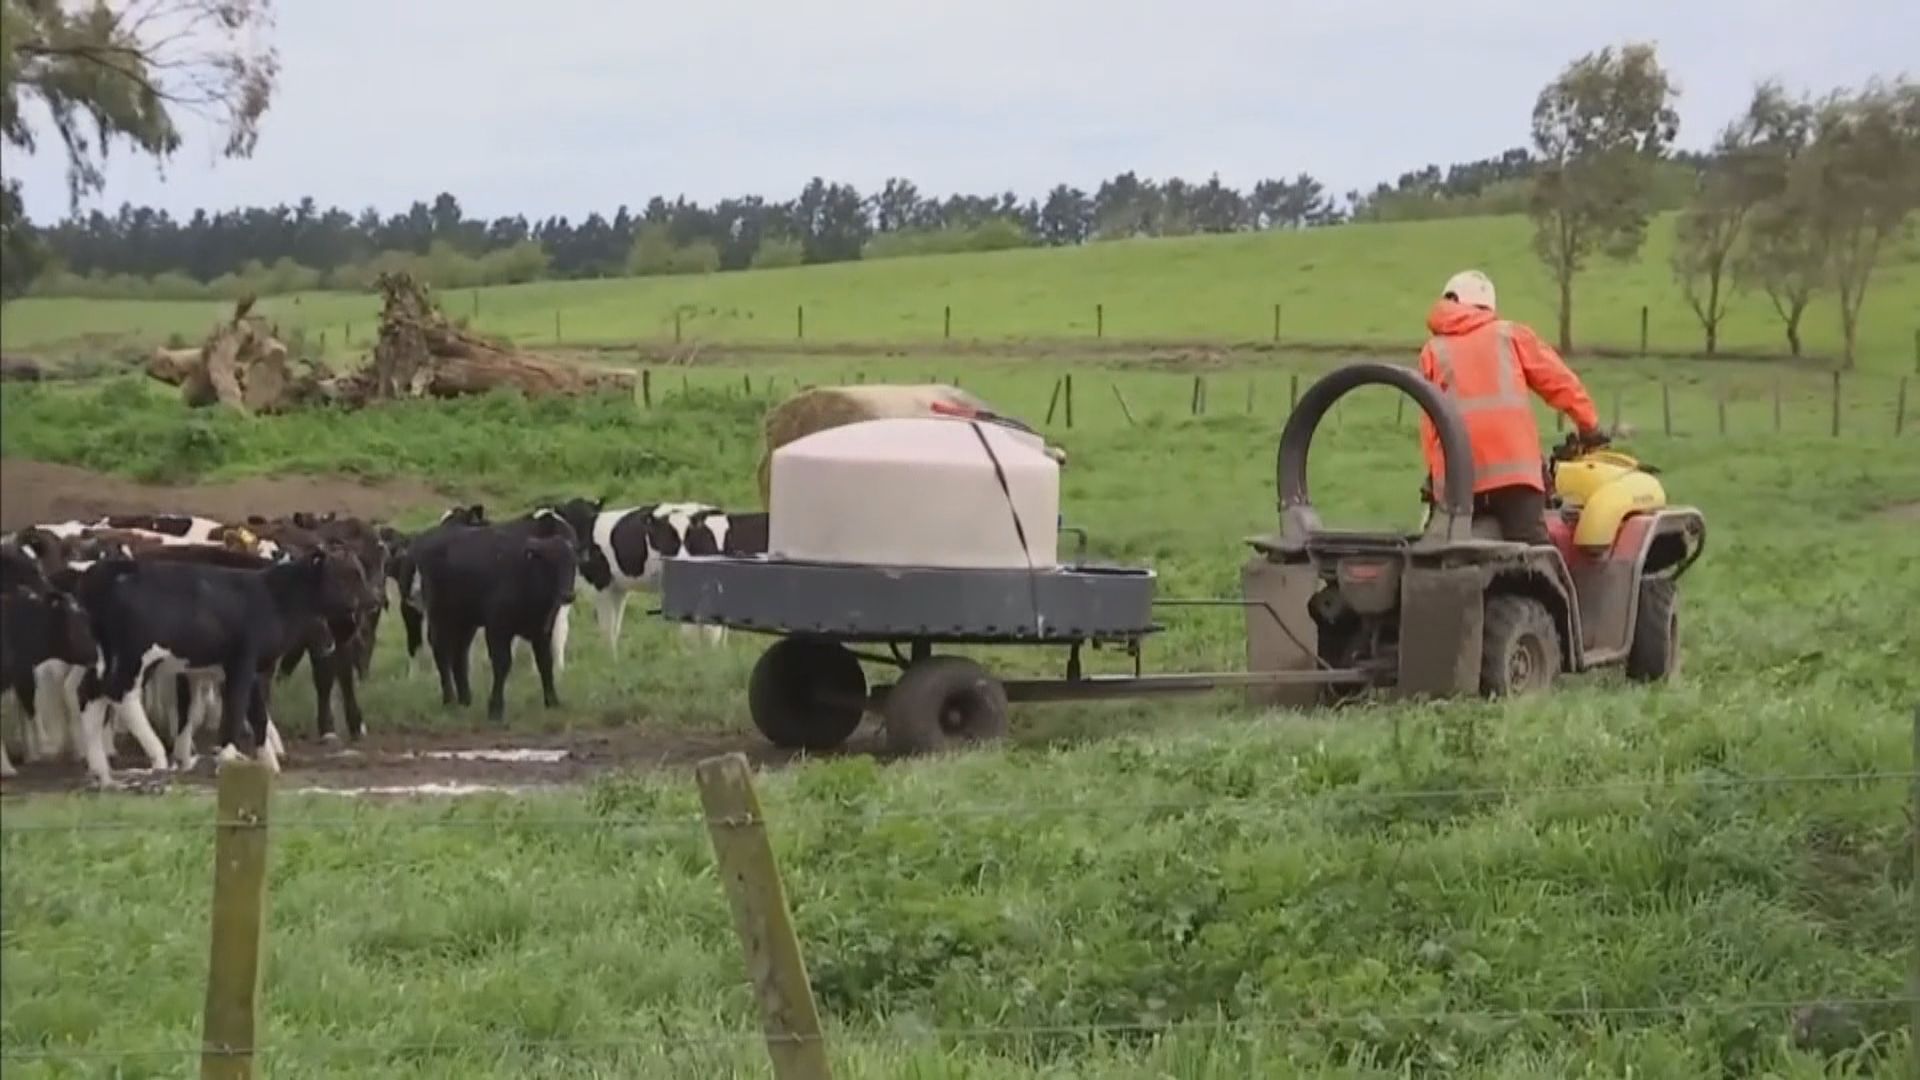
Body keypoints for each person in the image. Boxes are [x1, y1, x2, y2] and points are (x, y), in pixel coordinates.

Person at [1417, 270, 1606, 544]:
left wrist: (1437, 480)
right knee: (1537, 558)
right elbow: (1560, 383)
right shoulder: (1510, 335)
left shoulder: (1433, 351)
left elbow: (1429, 426)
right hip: (1516, 480)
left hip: (1459, 485)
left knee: (1444, 558)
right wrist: (1589, 426)